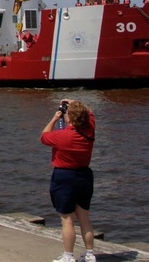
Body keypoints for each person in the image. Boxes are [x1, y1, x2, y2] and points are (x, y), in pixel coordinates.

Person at [41, 99, 97, 262]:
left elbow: (44, 137)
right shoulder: (90, 129)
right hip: (84, 176)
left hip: (64, 177)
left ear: (69, 119)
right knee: (84, 218)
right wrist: (75, 103)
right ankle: (90, 254)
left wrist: (54, 118)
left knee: (67, 220)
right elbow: (90, 112)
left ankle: (68, 256)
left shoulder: (62, 136)